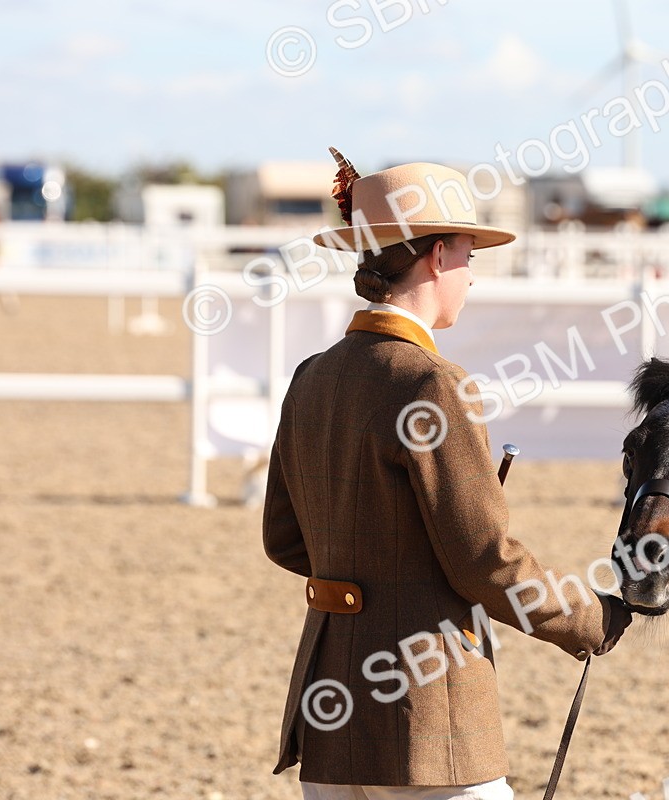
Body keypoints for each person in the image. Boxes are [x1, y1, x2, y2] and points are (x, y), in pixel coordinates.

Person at [263, 153, 633, 800]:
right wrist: (588, 620)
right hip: (425, 715)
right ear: (436, 256)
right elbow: (486, 563)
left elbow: (286, 541)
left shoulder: (311, 377)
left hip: (329, 708)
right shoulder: (434, 385)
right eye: (468, 255)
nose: (470, 275)